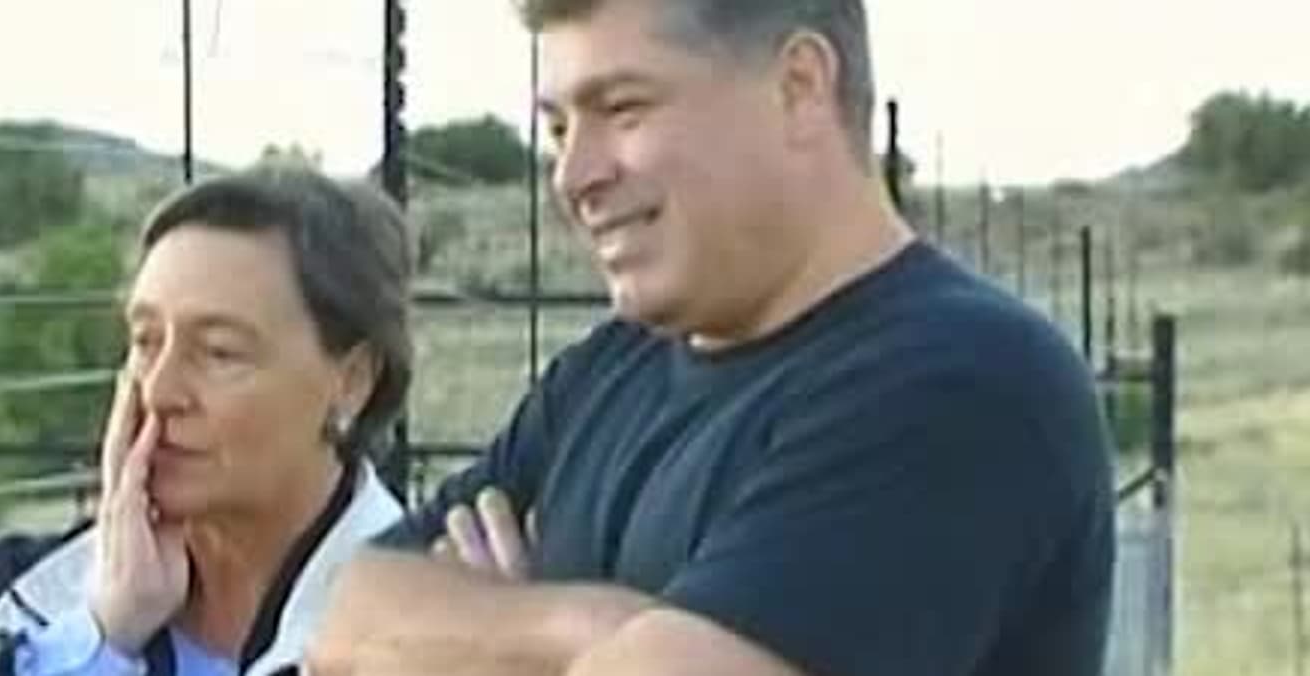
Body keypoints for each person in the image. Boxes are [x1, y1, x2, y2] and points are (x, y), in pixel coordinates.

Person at [306, 1, 1114, 675]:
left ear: (800, 87)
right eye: (557, 129)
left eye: (623, 109)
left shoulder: (960, 381)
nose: (574, 175)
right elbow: (342, 624)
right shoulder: (607, 371)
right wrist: (587, 632)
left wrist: (474, 632)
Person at [0, 167, 415, 676]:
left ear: (353, 381)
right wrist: (101, 638)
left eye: (219, 352)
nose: (159, 391)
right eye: (145, 341)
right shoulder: (8, 606)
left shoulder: (439, 632)